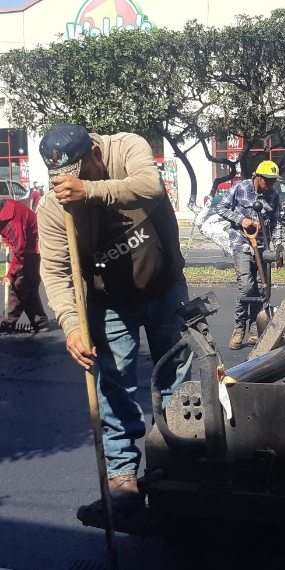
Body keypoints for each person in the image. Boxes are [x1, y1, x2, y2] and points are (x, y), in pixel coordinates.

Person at [37, 123, 189, 505]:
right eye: (61, 179)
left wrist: (90, 190)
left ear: (94, 152)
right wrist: (72, 326)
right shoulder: (54, 207)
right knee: (115, 385)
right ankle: (122, 474)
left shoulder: (126, 148)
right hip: (111, 301)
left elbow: (151, 186)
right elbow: (56, 274)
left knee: (176, 378)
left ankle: (174, 459)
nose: (68, 186)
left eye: (79, 173)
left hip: (165, 286)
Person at [214, 159, 282, 350]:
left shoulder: (274, 196)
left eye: (273, 181)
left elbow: (276, 224)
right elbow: (220, 208)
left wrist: (276, 250)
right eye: (268, 180)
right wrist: (241, 219)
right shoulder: (240, 188)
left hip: (263, 248)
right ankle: (239, 329)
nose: (271, 184)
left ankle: (255, 328)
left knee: (262, 290)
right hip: (242, 244)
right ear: (258, 177)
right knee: (246, 287)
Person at [0, 193, 50, 333]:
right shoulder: (6, 207)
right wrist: (6, 241)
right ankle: (40, 323)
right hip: (30, 247)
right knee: (28, 289)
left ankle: (6, 322)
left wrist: (10, 275)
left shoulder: (13, 222)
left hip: (33, 251)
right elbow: (6, 232)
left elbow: (19, 252)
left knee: (17, 285)